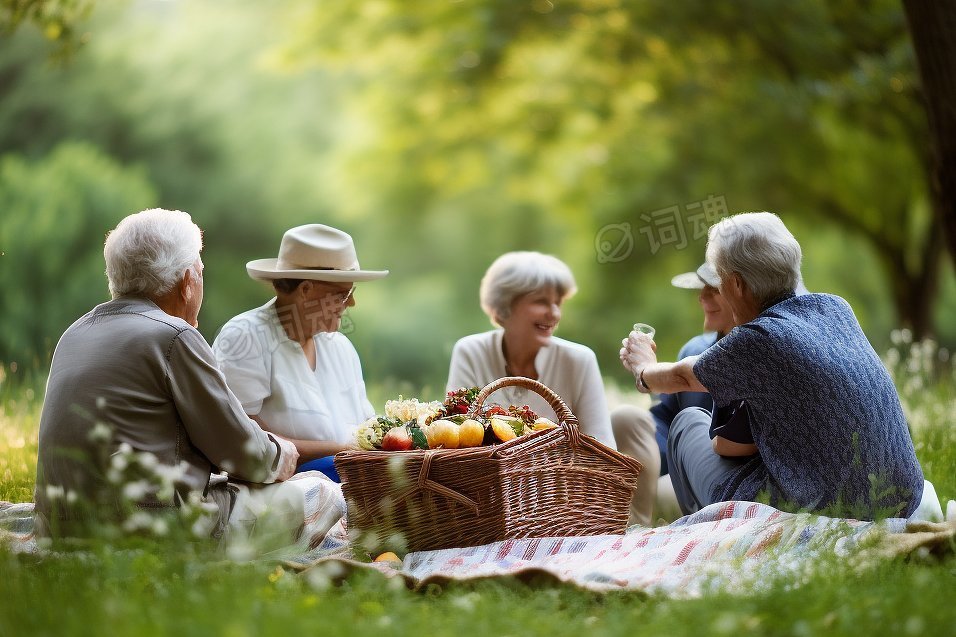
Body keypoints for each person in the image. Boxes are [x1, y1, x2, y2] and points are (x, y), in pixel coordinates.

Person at [34, 209, 345, 549]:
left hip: (59, 527)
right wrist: (283, 452)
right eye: (200, 270)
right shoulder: (173, 336)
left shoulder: (73, 333)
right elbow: (246, 454)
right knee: (321, 492)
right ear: (186, 283)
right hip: (154, 531)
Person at [620, 211, 924, 520]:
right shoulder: (836, 308)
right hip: (901, 500)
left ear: (736, 284)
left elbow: (683, 378)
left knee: (686, 424)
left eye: (720, 281)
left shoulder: (758, 339)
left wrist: (643, 370)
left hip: (828, 509)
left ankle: (708, 540)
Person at [446, 251, 659, 525]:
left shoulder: (579, 359)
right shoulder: (470, 351)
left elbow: (601, 448)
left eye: (558, 302)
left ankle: (634, 528)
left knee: (630, 418)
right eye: (541, 302)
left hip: (568, 492)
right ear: (504, 308)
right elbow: (458, 444)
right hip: (492, 495)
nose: (554, 313)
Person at [212, 224, 387, 482]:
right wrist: (346, 452)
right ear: (305, 291)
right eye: (343, 294)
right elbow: (244, 440)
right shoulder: (246, 337)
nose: (351, 303)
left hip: (354, 480)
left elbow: (367, 426)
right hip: (283, 494)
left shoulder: (340, 346)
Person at [612, 262, 735, 523]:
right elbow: (665, 423)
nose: (702, 298)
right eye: (702, 289)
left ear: (740, 291)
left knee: (658, 494)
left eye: (713, 290)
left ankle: (633, 531)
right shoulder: (694, 348)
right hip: (680, 463)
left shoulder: (760, 349)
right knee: (625, 418)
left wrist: (647, 371)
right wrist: (614, 455)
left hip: (727, 477)